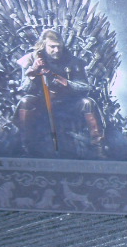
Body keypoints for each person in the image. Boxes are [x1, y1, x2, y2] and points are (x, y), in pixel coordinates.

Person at [15, 29, 105, 158]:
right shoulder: (30, 60)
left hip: (68, 104)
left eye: (59, 47)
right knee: (25, 101)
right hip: (41, 104)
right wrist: (33, 72)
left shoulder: (73, 62)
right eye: (52, 47)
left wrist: (65, 82)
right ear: (43, 45)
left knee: (88, 103)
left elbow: (85, 87)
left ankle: (98, 148)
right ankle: (27, 148)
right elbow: (25, 89)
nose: (56, 50)